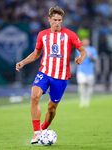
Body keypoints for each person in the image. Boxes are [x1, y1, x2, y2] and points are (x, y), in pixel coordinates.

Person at [16, 6, 87, 144]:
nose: (57, 22)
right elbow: (36, 54)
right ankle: (37, 133)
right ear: (49, 20)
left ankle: (43, 128)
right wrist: (23, 62)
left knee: (51, 108)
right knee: (34, 96)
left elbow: (83, 51)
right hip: (45, 72)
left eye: (59, 20)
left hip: (61, 77)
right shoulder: (42, 35)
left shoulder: (70, 35)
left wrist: (80, 58)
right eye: (54, 20)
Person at [76, 37, 98, 108]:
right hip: (81, 70)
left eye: (86, 41)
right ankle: (82, 100)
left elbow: (95, 60)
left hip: (90, 71)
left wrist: (91, 57)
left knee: (89, 86)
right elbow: (78, 59)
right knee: (81, 84)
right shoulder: (79, 50)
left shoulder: (92, 50)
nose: (85, 42)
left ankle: (87, 101)